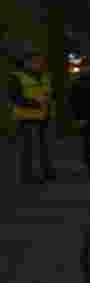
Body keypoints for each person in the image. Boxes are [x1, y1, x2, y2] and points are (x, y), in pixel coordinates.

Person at [9, 48, 55, 184]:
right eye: (35, 61)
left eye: (40, 61)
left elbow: (49, 95)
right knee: (27, 149)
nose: (39, 63)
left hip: (44, 117)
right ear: (26, 62)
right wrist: (36, 103)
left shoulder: (45, 76)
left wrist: (49, 109)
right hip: (26, 117)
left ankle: (47, 172)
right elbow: (15, 97)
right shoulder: (16, 77)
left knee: (44, 147)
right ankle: (27, 176)